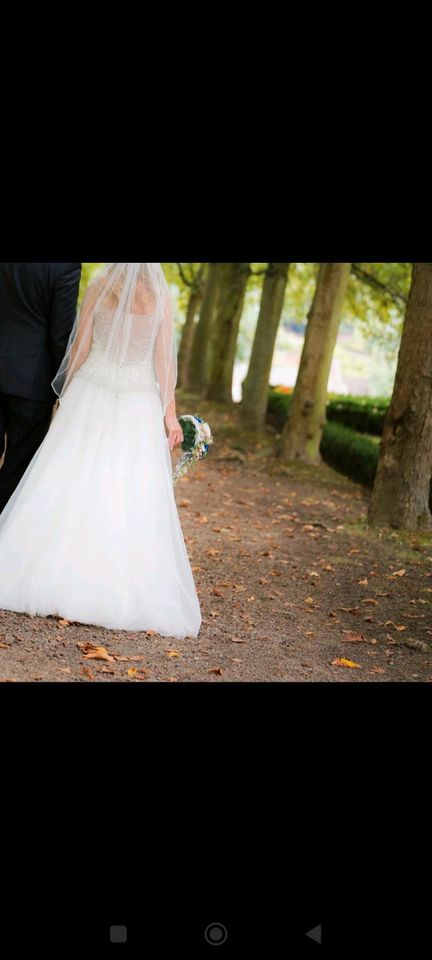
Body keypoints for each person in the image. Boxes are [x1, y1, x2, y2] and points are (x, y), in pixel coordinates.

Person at [0, 263, 202, 640]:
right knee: (125, 488)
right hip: (138, 401)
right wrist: (169, 415)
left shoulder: (99, 284)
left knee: (69, 477)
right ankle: (110, 584)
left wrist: (64, 395)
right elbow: (163, 361)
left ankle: (45, 571)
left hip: (91, 388)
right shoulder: (159, 296)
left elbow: (81, 346)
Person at [0, 262, 82, 513]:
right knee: (18, 463)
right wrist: (63, 384)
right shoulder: (66, 267)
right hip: (33, 381)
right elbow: (61, 333)